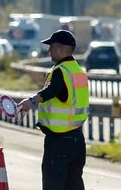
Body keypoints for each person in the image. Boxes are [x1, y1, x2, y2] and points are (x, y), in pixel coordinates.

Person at [18, 29, 90, 190]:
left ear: (60, 48)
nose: (49, 50)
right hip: (77, 140)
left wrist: (30, 102)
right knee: (74, 186)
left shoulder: (60, 72)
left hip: (59, 142)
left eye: (51, 46)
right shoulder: (78, 72)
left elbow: (51, 90)